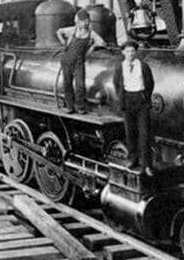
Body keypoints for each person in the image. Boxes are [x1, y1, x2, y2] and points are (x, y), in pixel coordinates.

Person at [112, 40, 155, 177]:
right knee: (130, 133)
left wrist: (144, 97)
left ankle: (147, 164)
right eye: (127, 51)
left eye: (132, 51)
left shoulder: (143, 66)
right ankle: (133, 159)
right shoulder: (120, 67)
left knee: (145, 134)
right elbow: (116, 83)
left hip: (141, 101)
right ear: (123, 53)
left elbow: (150, 83)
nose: (130, 54)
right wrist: (122, 100)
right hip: (127, 101)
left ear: (136, 52)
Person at [56, 9, 106, 114]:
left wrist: (92, 47)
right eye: (83, 21)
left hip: (79, 62)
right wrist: (64, 43)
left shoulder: (91, 34)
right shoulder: (73, 30)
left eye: (87, 21)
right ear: (79, 22)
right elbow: (59, 31)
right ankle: (70, 106)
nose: (86, 23)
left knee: (80, 85)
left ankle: (80, 107)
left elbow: (102, 43)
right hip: (66, 59)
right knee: (67, 84)